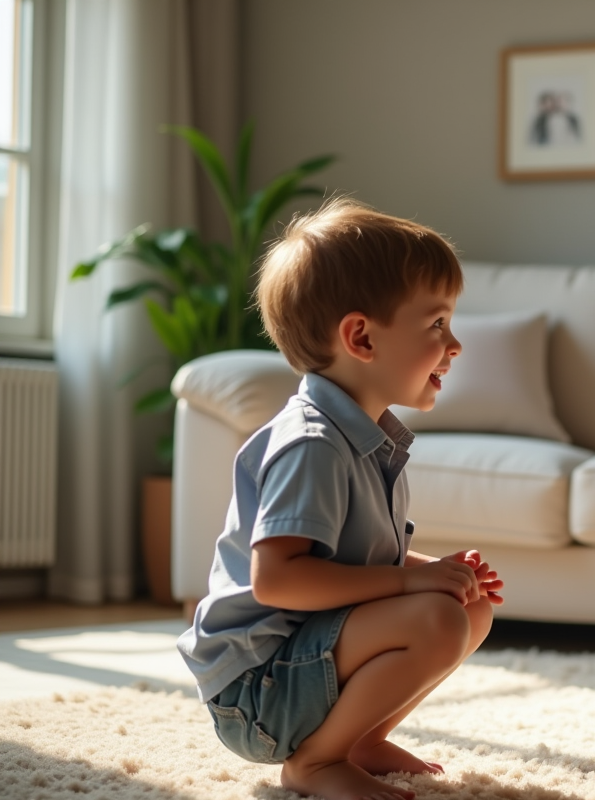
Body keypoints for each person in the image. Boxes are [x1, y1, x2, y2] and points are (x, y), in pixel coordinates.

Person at [177, 198, 503, 800]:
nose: (454, 344)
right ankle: (315, 763)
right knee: (434, 616)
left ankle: (356, 739)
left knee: (468, 605)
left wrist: (440, 572)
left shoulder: (370, 440)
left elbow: (358, 564)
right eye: (436, 325)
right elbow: (278, 580)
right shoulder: (312, 444)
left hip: (304, 658)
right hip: (257, 689)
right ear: (361, 338)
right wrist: (413, 587)